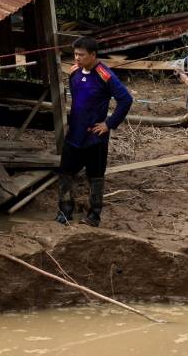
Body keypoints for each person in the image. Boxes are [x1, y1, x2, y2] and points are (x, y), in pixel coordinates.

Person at [57, 36, 133, 227]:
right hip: (74, 134)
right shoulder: (74, 72)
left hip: (95, 137)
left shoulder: (105, 75)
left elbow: (125, 100)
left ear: (93, 55)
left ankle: (93, 216)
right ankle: (65, 212)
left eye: (81, 55)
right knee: (66, 173)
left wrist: (109, 124)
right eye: (75, 54)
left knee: (95, 177)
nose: (77, 58)